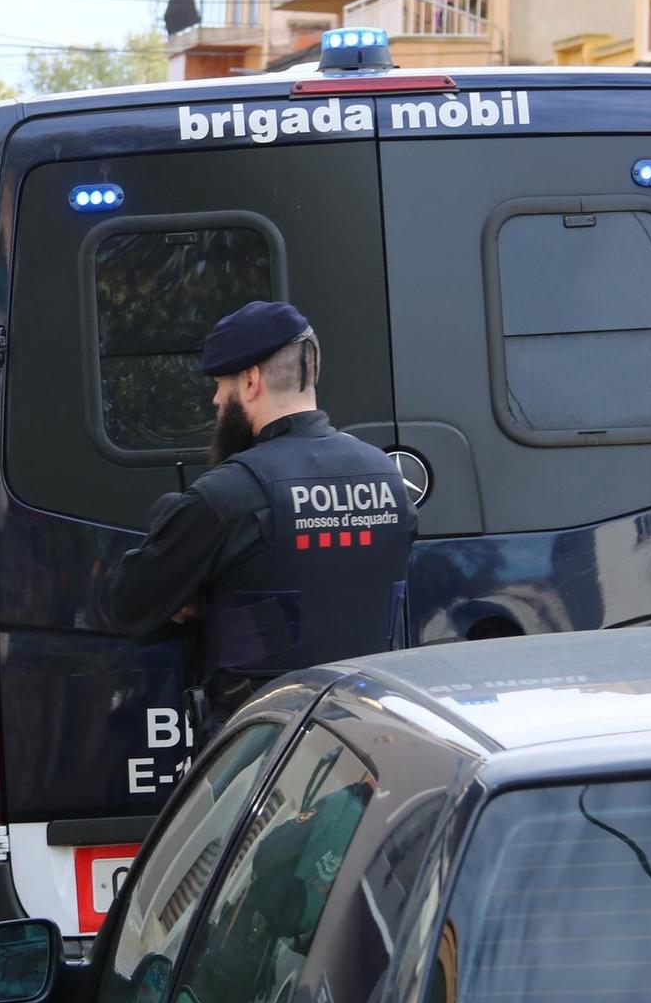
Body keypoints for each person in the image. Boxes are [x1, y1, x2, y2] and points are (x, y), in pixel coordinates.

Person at [100, 302, 418, 730]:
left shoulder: (231, 493)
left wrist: (198, 600)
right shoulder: (388, 478)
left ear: (250, 381)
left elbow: (127, 604)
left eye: (219, 385)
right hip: (366, 738)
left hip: (266, 748)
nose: (215, 400)